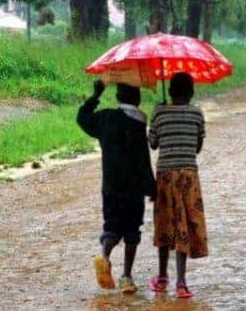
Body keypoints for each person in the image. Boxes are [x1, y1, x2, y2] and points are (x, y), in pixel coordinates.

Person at [77, 80, 156, 294]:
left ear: (118, 98)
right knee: (132, 230)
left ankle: (104, 256)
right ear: (138, 99)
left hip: (110, 186)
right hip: (134, 188)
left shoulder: (105, 118)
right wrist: (151, 187)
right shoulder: (139, 123)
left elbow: (82, 118)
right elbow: (143, 160)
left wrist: (95, 95)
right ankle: (127, 276)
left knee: (112, 225)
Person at [148, 72, 208, 298]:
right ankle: (182, 282)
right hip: (188, 177)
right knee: (184, 226)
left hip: (165, 177)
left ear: (170, 92)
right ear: (191, 93)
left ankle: (162, 276)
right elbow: (197, 147)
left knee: (164, 224)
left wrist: (159, 113)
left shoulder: (160, 113)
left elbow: (153, 143)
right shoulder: (197, 113)